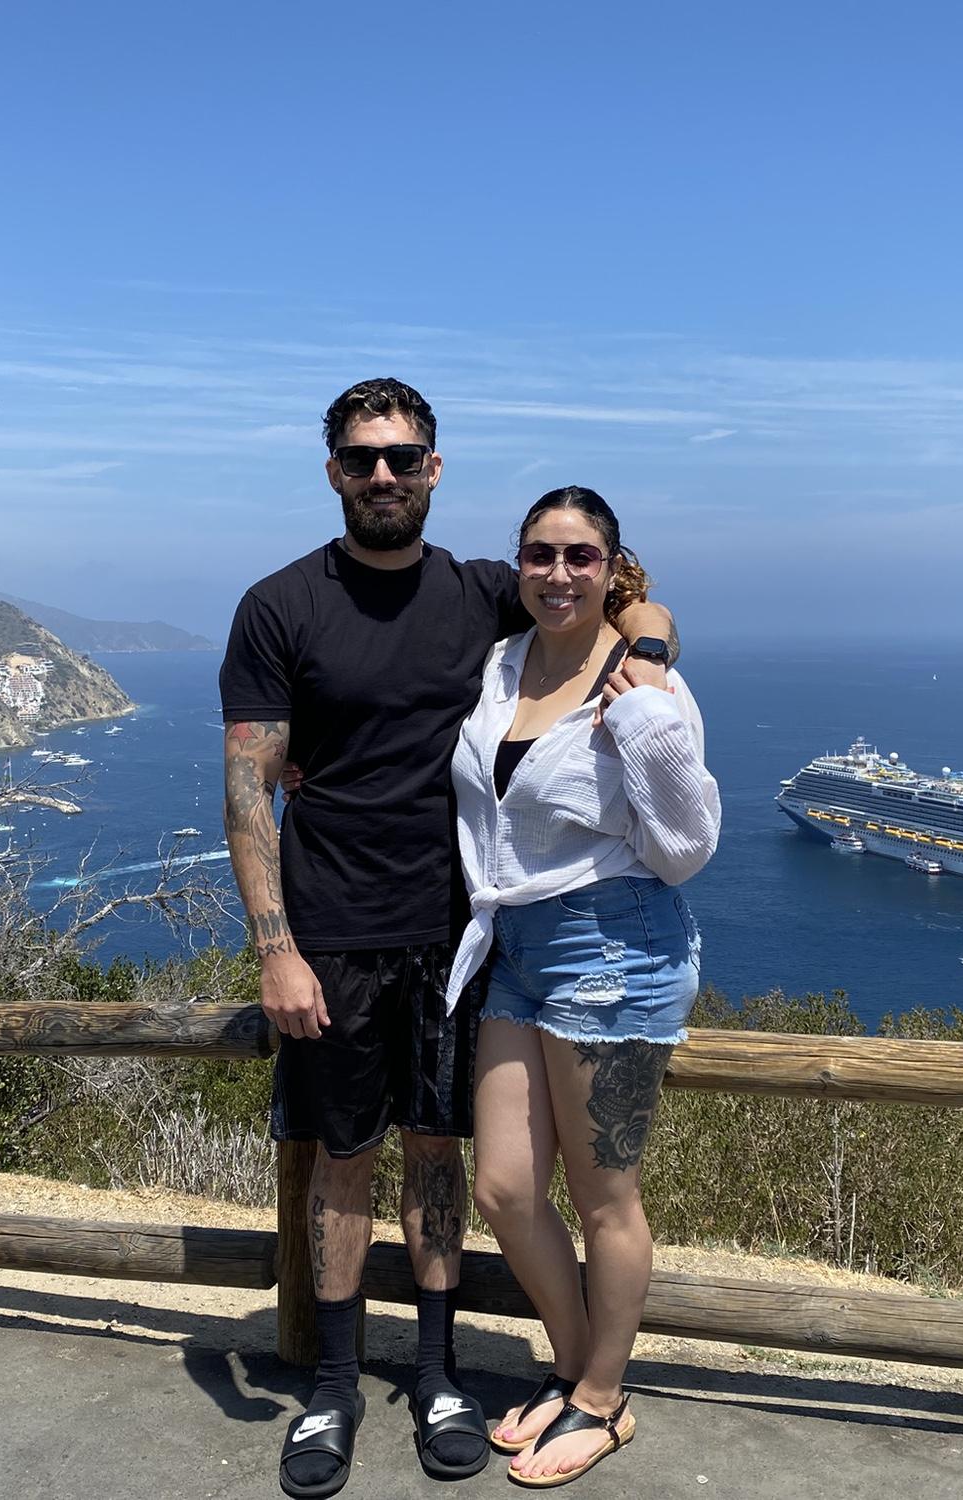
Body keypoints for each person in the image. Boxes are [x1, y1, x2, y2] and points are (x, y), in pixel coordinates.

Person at [219, 381, 680, 1499]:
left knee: (439, 1154)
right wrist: (275, 948)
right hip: (329, 934)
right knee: (341, 1159)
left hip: (460, 933)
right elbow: (245, 792)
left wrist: (654, 646)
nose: (384, 475)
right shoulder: (278, 606)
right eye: (364, 458)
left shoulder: (487, 592)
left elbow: (611, 595)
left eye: (405, 458)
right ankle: (334, 1385)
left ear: (435, 469)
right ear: (332, 469)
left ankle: (434, 1374)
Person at [445, 486, 720, 1488]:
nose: (558, 573)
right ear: (519, 563)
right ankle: (571, 1371)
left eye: (581, 557)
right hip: (515, 944)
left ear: (612, 567)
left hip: (614, 946)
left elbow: (689, 846)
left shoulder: (641, 683)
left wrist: (644, 703)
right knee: (506, 1189)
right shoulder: (501, 663)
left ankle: (606, 1401)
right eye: (540, 554)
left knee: (607, 1198)